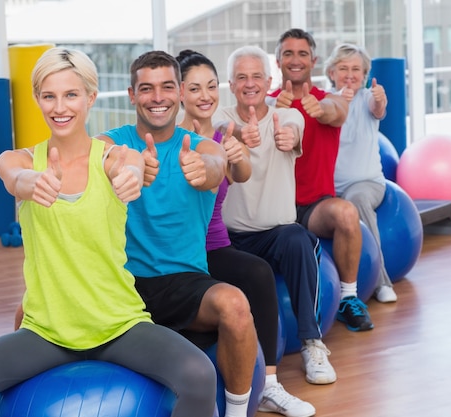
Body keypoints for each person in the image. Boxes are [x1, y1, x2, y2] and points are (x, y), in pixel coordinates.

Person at [0, 48, 217, 417]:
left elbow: (130, 166)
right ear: (37, 99)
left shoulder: (114, 157)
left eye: (71, 94)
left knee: (199, 374)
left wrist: (131, 177)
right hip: (47, 330)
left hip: (118, 324)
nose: (60, 107)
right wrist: (31, 182)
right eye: (49, 95)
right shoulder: (20, 160)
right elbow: (14, 177)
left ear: (90, 97)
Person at [96, 50, 259, 417]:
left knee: (235, 306)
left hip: (184, 283)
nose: (157, 97)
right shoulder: (109, 142)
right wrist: (132, 165)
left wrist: (206, 170)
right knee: (30, 308)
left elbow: (217, 165)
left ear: (180, 91)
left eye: (167, 87)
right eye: (147, 89)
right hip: (122, 284)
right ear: (132, 95)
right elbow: (105, 157)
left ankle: (235, 413)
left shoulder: (201, 147)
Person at [176, 49, 315, 417]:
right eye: (194, 88)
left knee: (257, 273)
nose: (204, 95)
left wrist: (237, 154)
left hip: (214, 245)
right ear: (179, 94)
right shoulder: (168, 135)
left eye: (209, 87)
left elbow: (242, 172)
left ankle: (269, 384)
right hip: (175, 251)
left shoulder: (225, 133)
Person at [213, 44, 336, 388]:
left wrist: (287, 137)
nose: (249, 83)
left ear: (269, 81)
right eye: (241, 77)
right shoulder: (220, 118)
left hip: (276, 235)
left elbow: (294, 134)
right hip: (230, 241)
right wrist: (234, 133)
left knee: (299, 238)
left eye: (256, 76)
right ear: (231, 83)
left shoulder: (289, 118)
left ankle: (313, 343)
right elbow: (214, 127)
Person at [268, 28, 374, 332]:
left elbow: (336, 112)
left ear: (313, 60)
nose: (295, 59)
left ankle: (348, 299)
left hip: (314, 208)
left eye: (302, 53)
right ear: (278, 61)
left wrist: (320, 109)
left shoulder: (329, 99)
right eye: (288, 53)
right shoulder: (266, 103)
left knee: (346, 211)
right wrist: (272, 110)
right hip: (275, 212)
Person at [324, 43, 397, 303]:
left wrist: (380, 99)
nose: (350, 74)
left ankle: (381, 282)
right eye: (343, 68)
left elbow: (378, 109)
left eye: (356, 69)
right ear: (332, 72)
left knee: (356, 200)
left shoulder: (367, 97)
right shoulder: (325, 101)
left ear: (365, 75)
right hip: (331, 190)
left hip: (367, 184)